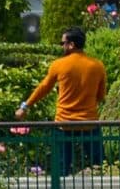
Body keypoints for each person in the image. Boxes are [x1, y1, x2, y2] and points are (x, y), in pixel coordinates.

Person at [22, 27, 109, 178]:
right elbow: (101, 96)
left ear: (71, 45)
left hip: (64, 122)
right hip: (89, 122)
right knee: (99, 165)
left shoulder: (59, 65)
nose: (61, 46)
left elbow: (43, 88)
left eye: (63, 43)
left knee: (61, 167)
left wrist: (25, 106)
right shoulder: (97, 66)